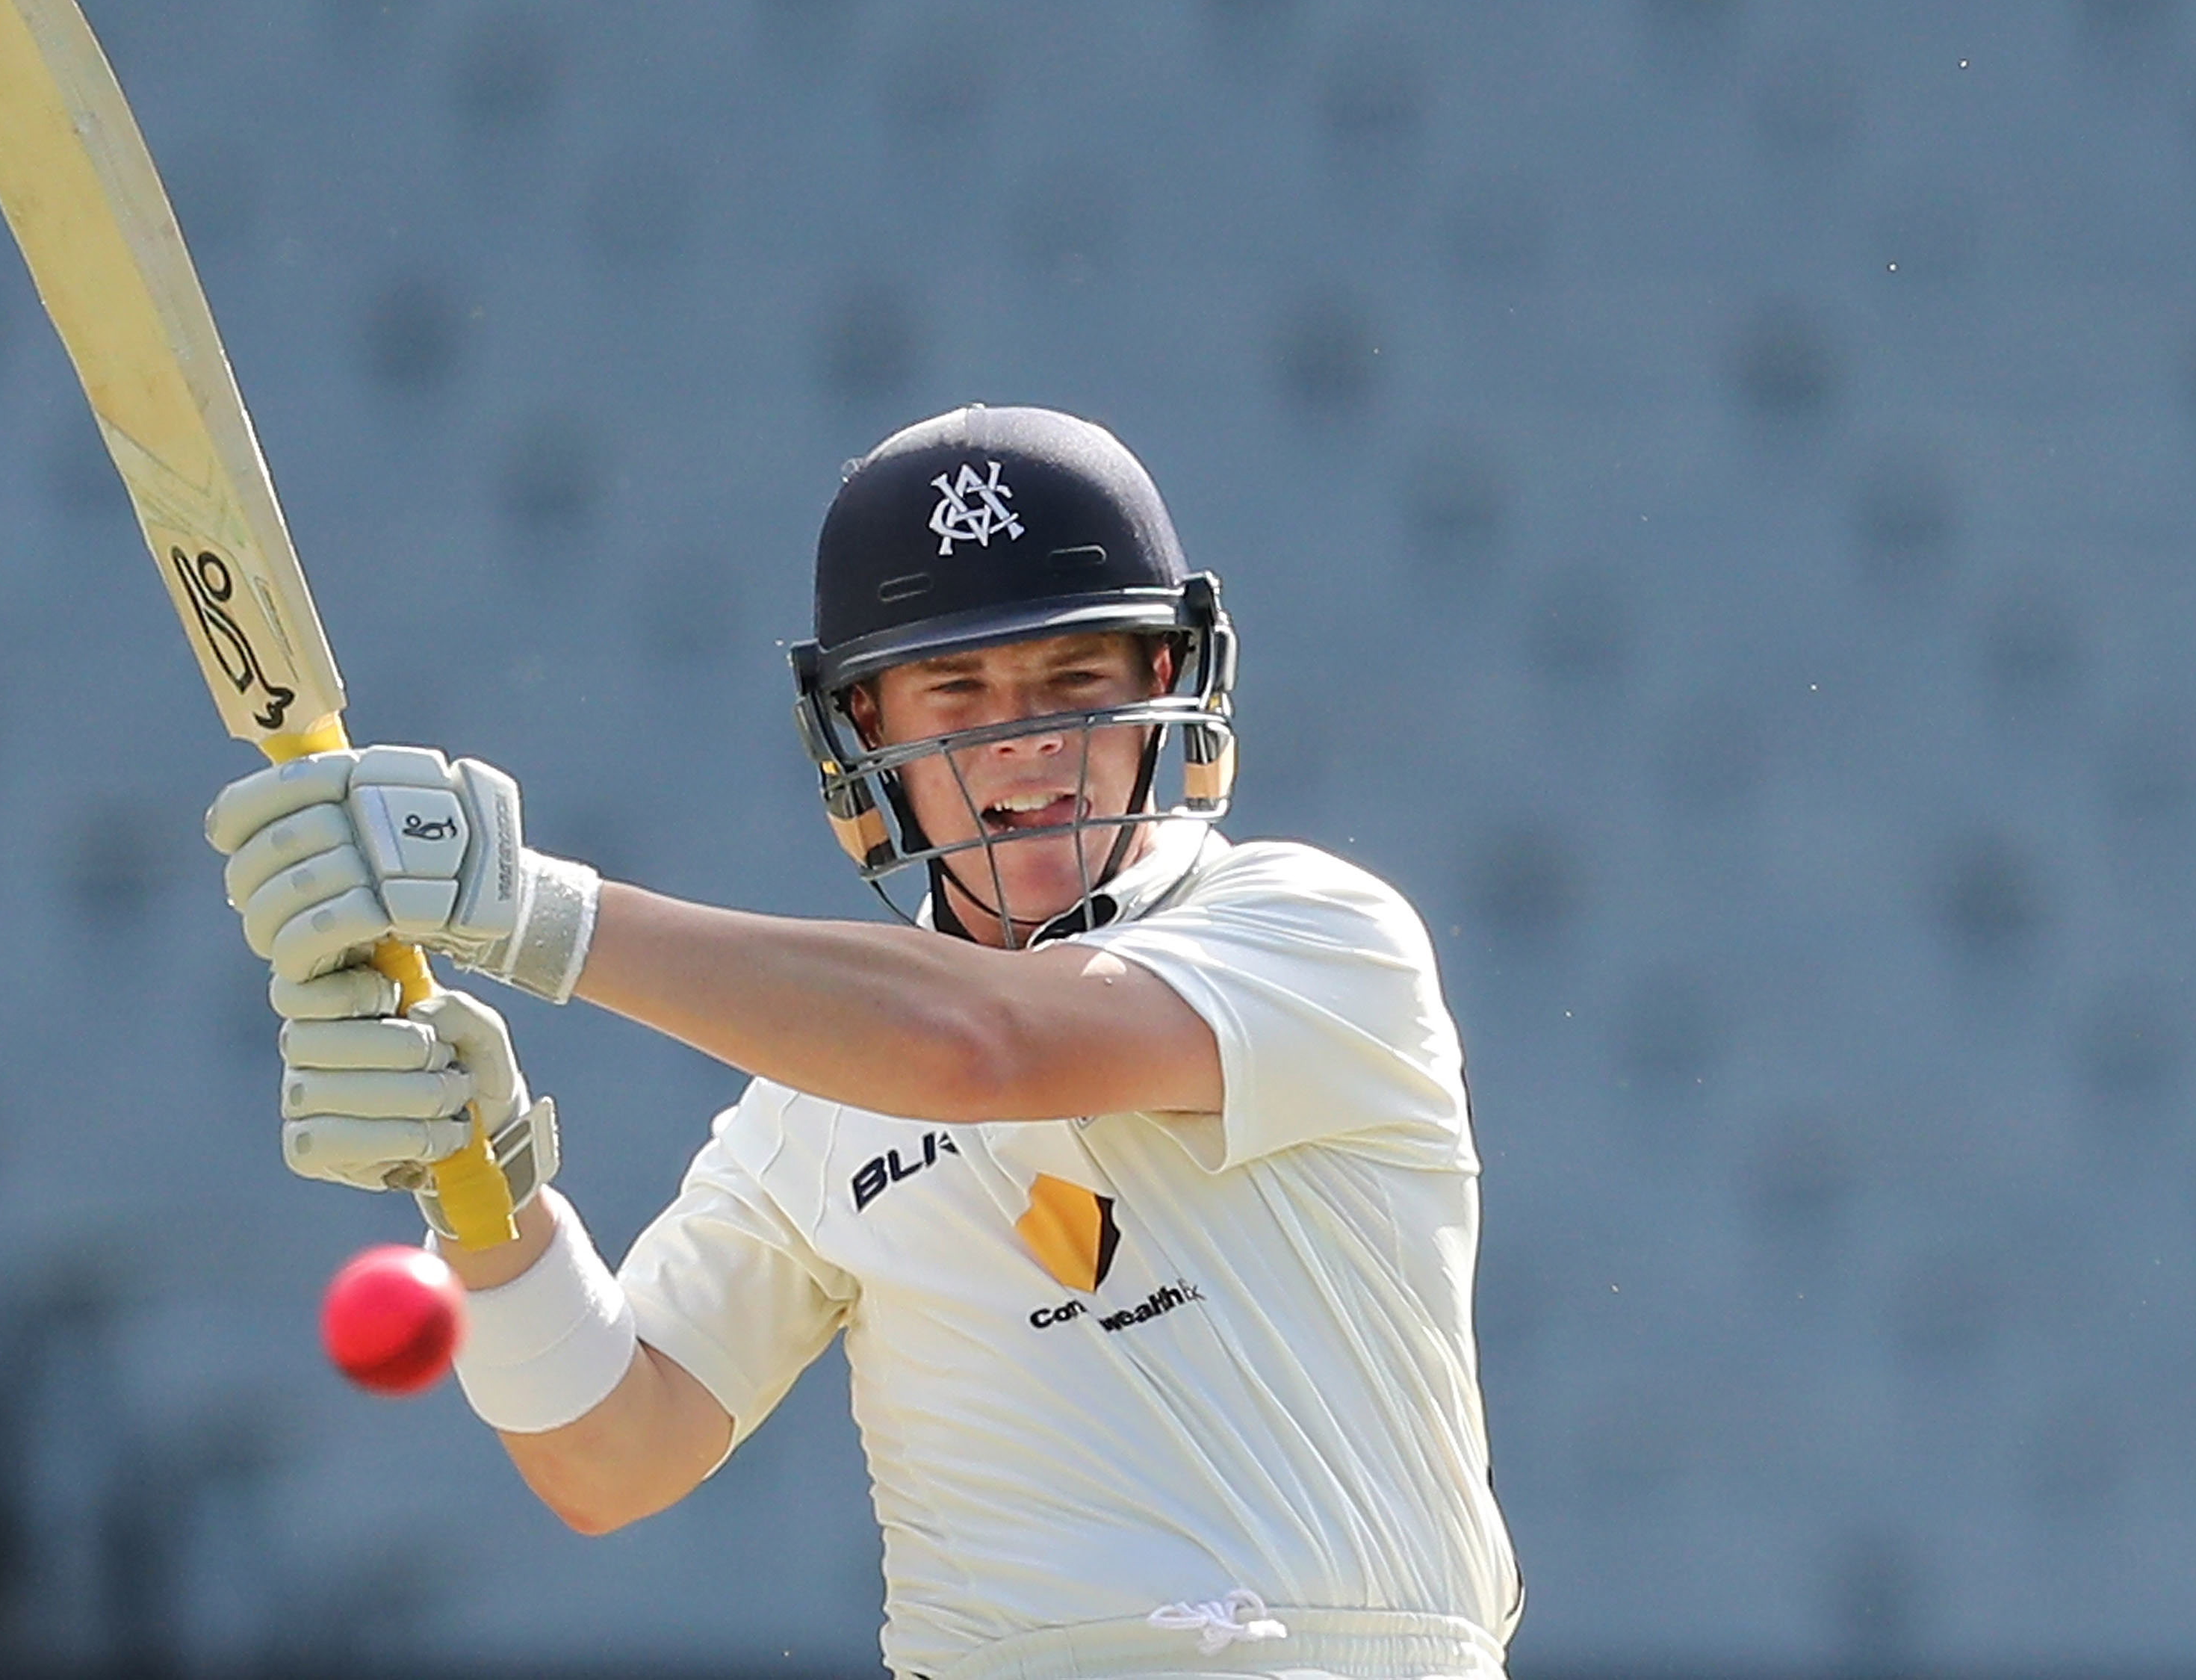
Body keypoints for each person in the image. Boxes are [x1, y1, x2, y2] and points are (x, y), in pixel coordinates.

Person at [204, 406, 1524, 1680]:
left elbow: (982, 1049)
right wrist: (481, 1186)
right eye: (955, 691)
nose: (1023, 741)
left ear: (1165, 683)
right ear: (870, 731)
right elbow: (613, 1458)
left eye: (1073, 680)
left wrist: (532, 909)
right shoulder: (819, 1098)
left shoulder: (1318, 935)